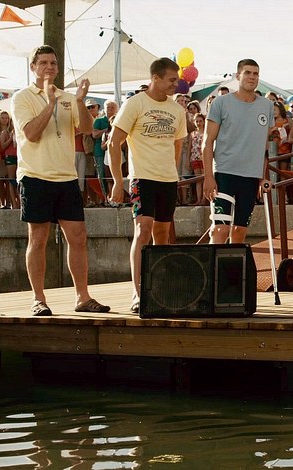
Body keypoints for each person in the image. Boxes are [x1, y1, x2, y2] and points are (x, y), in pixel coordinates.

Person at [10, 45, 110, 316]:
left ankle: (83, 297)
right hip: (35, 176)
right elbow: (31, 134)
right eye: (43, 63)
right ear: (33, 67)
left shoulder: (68, 97)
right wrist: (50, 103)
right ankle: (38, 299)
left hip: (66, 177)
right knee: (38, 239)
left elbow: (87, 129)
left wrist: (80, 101)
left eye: (53, 63)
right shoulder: (22, 97)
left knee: (78, 237)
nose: (49, 67)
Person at [108, 57, 188, 313]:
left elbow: (178, 145)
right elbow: (114, 142)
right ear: (155, 78)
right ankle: (138, 291)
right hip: (142, 177)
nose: (176, 85)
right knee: (143, 229)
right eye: (171, 80)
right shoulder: (135, 103)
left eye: (177, 80)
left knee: (162, 235)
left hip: (168, 179)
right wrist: (118, 181)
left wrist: (172, 173)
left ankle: (160, 289)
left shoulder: (177, 110)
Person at [201, 58, 274, 225]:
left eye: (255, 74)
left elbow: (264, 146)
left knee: (240, 230)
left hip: (251, 177)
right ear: (237, 75)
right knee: (220, 229)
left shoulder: (267, 106)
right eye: (247, 73)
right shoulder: (221, 102)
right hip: (224, 174)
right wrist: (208, 177)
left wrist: (262, 178)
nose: (252, 77)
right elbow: (207, 141)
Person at [91, 100, 118, 203]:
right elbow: (94, 134)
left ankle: (114, 197)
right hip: (100, 151)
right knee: (101, 175)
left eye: (112, 107)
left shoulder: (117, 120)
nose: (110, 109)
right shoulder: (99, 120)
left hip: (114, 151)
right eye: (108, 107)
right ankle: (104, 198)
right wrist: (107, 130)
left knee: (114, 174)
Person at [0, 111, 19, 209]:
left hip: (17, 156)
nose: (4, 120)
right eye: (2, 118)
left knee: (14, 180)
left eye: (6, 118)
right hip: (5, 158)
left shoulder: (17, 130)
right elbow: (2, 146)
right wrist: (10, 138)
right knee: (6, 181)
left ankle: (12, 203)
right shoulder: (5, 132)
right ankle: (6, 203)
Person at [190, 113, 207, 205]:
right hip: (195, 157)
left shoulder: (206, 133)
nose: (199, 123)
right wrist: (189, 158)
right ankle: (198, 199)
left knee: (204, 178)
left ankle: (204, 199)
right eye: (197, 121)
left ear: (204, 122)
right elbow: (190, 147)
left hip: (204, 157)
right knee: (197, 180)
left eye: (200, 121)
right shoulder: (192, 134)